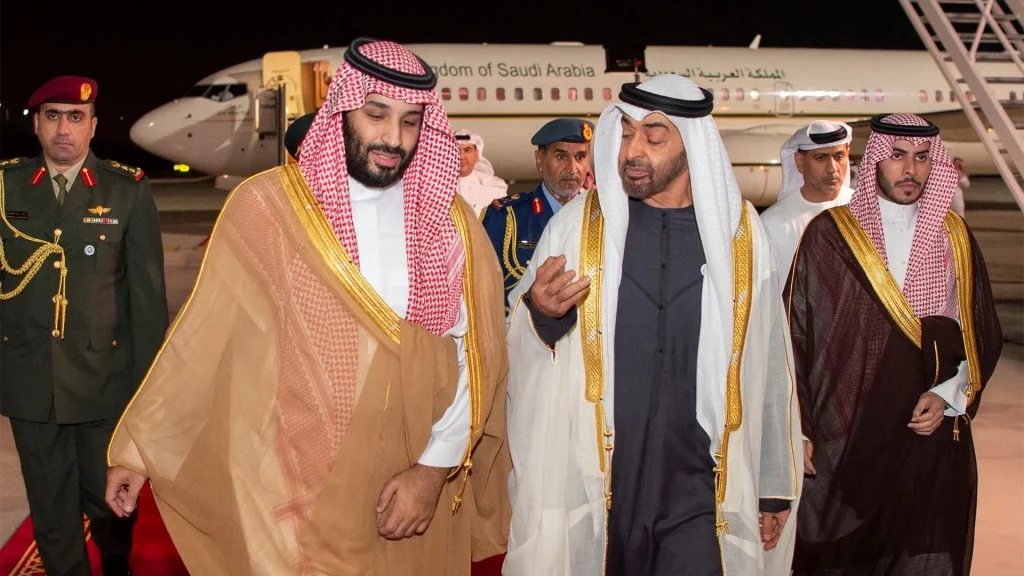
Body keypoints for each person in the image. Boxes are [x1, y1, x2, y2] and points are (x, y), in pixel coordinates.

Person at [103, 38, 511, 574]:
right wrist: (142, 450)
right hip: (296, 475)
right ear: (342, 110)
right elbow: (204, 340)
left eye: (410, 122)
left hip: (409, 476)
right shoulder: (270, 207)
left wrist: (433, 471)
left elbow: (473, 360)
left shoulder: (450, 222)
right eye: (376, 115)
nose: (393, 138)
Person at [502, 74, 803, 576]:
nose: (631, 152)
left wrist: (772, 486)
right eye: (624, 135)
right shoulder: (577, 228)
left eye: (653, 137)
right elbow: (522, 342)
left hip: (702, 487)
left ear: (692, 143)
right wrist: (541, 313)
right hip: (601, 481)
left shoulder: (741, 235)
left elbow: (769, 357)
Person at [786, 113, 1003, 575]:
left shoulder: (955, 236)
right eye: (898, 156)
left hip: (929, 431)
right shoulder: (833, 234)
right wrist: (797, 427)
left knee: (923, 555)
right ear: (876, 160)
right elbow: (798, 334)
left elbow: (978, 330)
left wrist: (947, 395)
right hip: (850, 432)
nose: (910, 170)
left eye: (922, 158)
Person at [0, 75, 168, 575]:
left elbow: (147, 303)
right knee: (50, 508)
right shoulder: (6, 185)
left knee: (108, 499)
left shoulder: (126, 190)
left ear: (93, 126)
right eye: (53, 116)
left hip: (105, 382)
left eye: (76, 117)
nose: (63, 129)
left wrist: (146, 394)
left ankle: (115, 558)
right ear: (36, 124)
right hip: (30, 380)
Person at [480, 117, 593, 316]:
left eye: (580, 157)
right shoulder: (505, 218)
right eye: (561, 157)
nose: (572, 168)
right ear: (540, 160)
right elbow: (482, 296)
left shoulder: (599, 218)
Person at [759, 120, 855, 279]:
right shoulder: (773, 223)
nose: (832, 169)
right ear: (800, 161)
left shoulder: (866, 209)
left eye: (839, 156)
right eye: (821, 158)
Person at [454, 128, 508, 215]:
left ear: (476, 154)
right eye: (456, 150)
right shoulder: (436, 188)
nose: (461, 156)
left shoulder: (495, 190)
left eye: (467, 150)